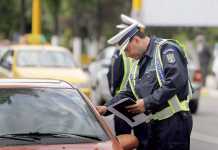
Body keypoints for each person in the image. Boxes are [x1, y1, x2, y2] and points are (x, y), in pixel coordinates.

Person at [97, 18, 193, 150]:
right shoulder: (138, 63)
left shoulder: (166, 50)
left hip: (174, 123)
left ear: (136, 40)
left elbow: (175, 81)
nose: (127, 55)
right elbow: (128, 91)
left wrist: (147, 102)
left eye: (127, 50)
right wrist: (106, 108)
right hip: (153, 124)